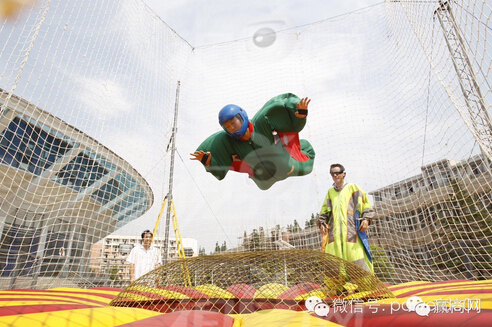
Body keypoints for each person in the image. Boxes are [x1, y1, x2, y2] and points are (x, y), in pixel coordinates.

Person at [190, 93, 315, 190]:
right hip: (263, 181)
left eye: (233, 122)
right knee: (263, 182)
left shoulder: (262, 122)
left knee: (306, 165)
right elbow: (219, 173)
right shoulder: (230, 142)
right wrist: (208, 163)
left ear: (242, 116)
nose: (232, 127)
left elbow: (292, 123)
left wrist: (300, 116)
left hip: (286, 166)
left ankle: (300, 148)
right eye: (227, 126)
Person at [317, 164, 375, 274]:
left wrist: (366, 219)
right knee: (333, 269)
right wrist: (322, 223)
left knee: (358, 265)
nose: (335, 175)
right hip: (334, 239)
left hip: (352, 236)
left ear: (344, 174)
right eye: (332, 173)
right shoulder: (330, 193)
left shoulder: (353, 188)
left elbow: (366, 205)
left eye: (337, 172)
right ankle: (338, 290)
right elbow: (324, 212)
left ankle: (364, 287)